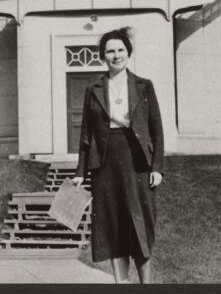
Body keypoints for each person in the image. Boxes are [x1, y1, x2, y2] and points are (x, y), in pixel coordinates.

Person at [71, 27, 164, 284]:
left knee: (140, 224)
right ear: (103, 56)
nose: (116, 55)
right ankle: (120, 284)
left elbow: (156, 129)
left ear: (128, 53)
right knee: (113, 226)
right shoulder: (94, 88)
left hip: (138, 162)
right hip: (105, 163)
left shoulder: (144, 86)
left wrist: (157, 167)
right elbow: (86, 135)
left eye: (120, 50)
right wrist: (80, 173)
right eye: (110, 51)